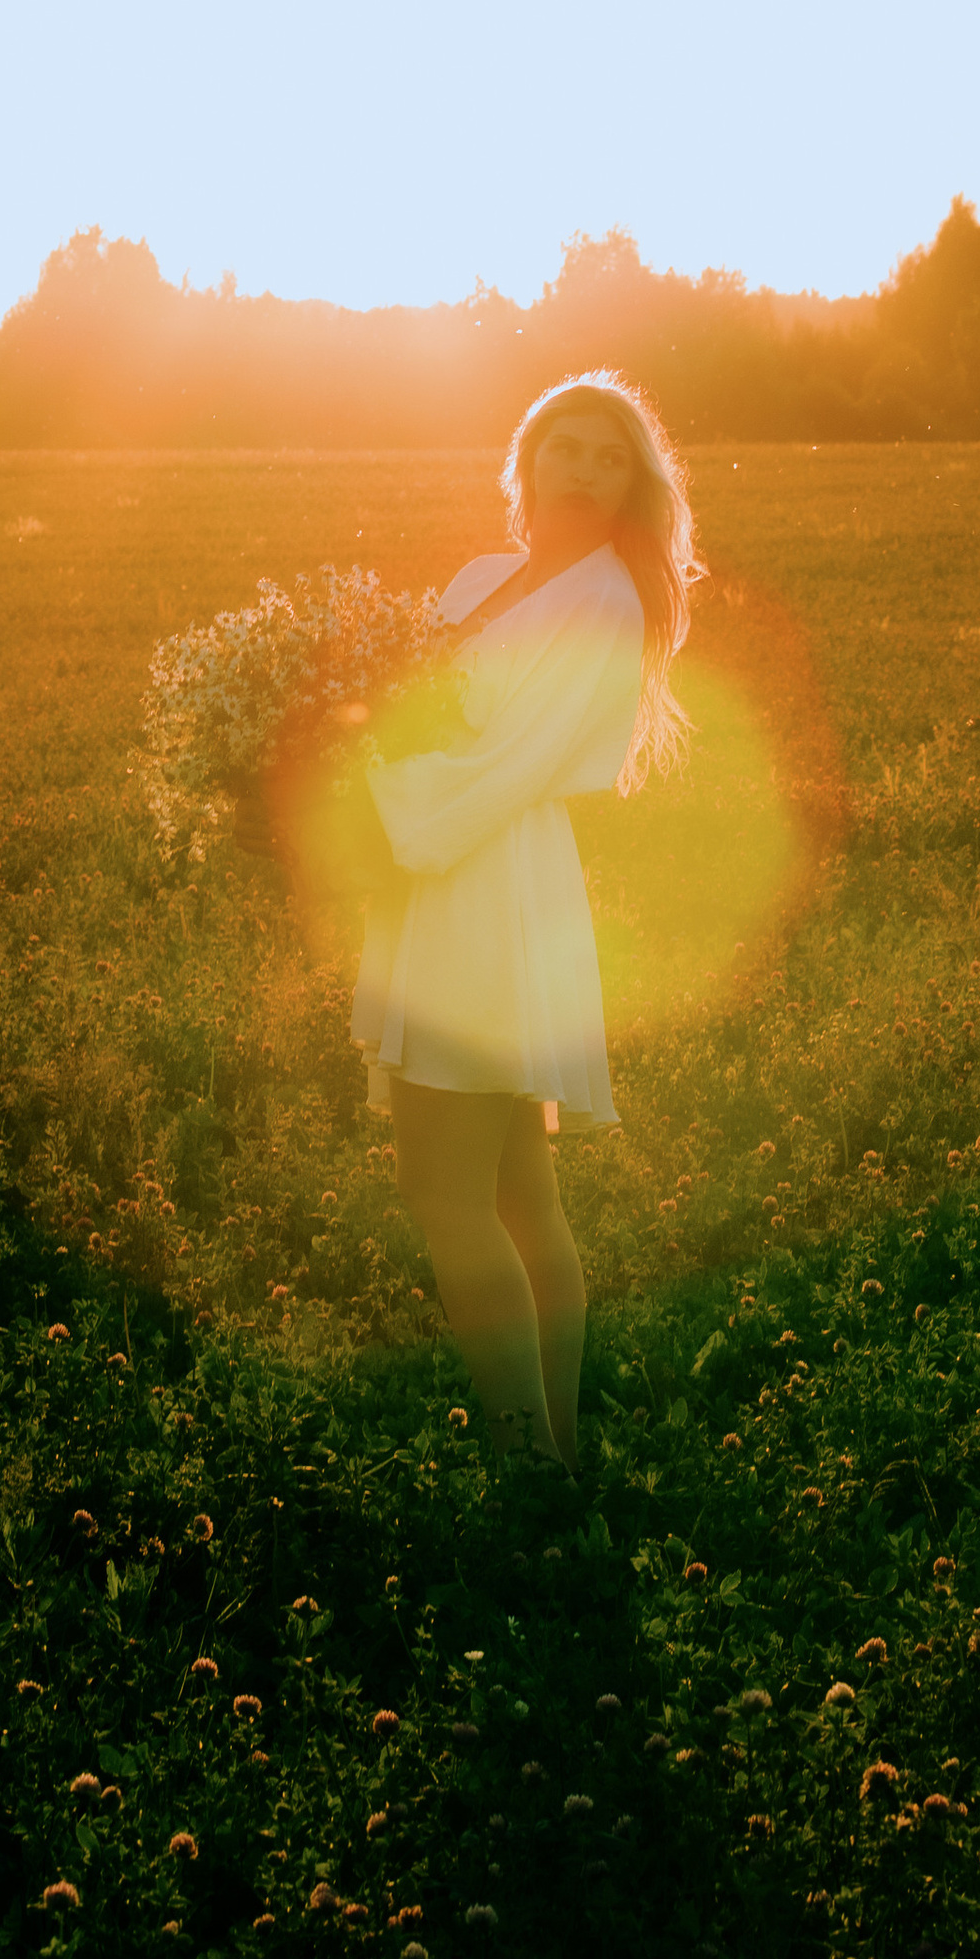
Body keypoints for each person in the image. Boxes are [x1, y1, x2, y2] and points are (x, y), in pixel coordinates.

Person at [350, 370, 701, 1471]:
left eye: (610, 457)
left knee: (445, 1196)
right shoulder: (480, 575)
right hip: (444, 868)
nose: (585, 471)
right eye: (567, 447)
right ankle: (554, 1453)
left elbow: (513, 762)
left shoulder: (605, 599)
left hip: (483, 881)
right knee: (513, 1189)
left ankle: (527, 1468)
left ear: (636, 482)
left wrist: (368, 802)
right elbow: (407, 703)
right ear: (529, 458)